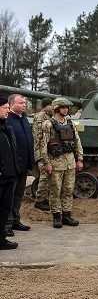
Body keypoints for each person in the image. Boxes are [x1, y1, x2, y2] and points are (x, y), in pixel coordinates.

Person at [40, 97, 83, 228]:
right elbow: (43, 145)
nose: (66, 109)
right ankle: (56, 216)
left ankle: (67, 215)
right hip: (55, 162)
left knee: (68, 190)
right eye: (63, 107)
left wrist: (79, 159)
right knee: (55, 190)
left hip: (70, 162)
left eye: (67, 107)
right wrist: (46, 163)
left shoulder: (70, 123)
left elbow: (77, 142)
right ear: (56, 108)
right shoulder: (48, 124)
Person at [5, 94, 34, 236]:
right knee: (9, 196)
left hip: (24, 164)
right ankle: (7, 224)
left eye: (24, 103)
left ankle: (16, 220)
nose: (24, 105)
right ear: (11, 104)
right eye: (21, 103)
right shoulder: (7, 120)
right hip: (12, 165)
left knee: (18, 195)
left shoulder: (24, 119)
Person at [0, 96, 20, 250]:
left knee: (5, 209)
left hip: (10, 176)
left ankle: (1, 239)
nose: (8, 110)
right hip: (1, 176)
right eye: (4, 107)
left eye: (8, 107)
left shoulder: (7, 127)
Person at [33, 98, 53, 211]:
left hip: (45, 150)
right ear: (47, 106)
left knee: (47, 176)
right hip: (41, 150)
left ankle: (44, 198)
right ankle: (39, 201)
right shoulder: (41, 117)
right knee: (44, 176)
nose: (53, 108)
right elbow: (40, 137)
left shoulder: (47, 116)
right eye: (51, 105)